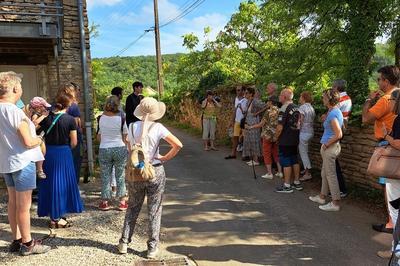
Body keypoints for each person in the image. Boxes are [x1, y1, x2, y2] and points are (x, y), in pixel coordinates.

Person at [118, 97, 183, 259]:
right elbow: (178, 145)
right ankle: (152, 248)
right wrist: (164, 158)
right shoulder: (158, 127)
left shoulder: (132, 126)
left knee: (132, 207)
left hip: (136, 172)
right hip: (154, 170)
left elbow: (128, 144)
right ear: (155, 112)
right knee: (154, 209)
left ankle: (124, 242)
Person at [0, 71, 50, 255]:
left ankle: (16, 239)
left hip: (7, 162)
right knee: (24, 205)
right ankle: (28, 243)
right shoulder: (14, 112)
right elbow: (28, 142)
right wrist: (39, 139)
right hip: (22, 161)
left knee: (13, 203)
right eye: (20, 86)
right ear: (14, 88)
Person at [362, 65, 400, 257]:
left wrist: (369, 99)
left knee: (391, 193)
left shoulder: (387, 99)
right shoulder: (396, 97)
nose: (378, 82)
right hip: (392, 146)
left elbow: (366, 118)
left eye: (379, 79)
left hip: (389, 148)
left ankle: (393, 230)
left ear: (386, 80)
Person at [37, 91, 83, 228]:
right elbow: (74, 142)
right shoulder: (70, 120)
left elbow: (35, 130)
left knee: (50, 183)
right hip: (64, 153)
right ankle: (58, 218)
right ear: (67, 105)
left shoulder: (47, 118)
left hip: (48, 153)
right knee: (62, 184)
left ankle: (53, 217)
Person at [309, 89, 343, 211]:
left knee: (330, 175)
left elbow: (339, 134)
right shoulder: (332, 111)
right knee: (325, 173)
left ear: (329, 99)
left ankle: (335, 203)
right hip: (329, 146)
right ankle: (322, 197)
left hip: (330, 147)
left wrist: (327, 144)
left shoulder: (333, 113)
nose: (322, 99)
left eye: (324, 97)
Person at [97, 95, 128, 211]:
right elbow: (125, 134)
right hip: (119, 147)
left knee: (105, 175)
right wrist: (124, 146)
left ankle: (105, 202)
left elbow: (99, 136)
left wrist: (104, 143)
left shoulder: (101, 118)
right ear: (117, 104)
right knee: (120, 176)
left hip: (104, 148)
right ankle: (122, 202)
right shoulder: (122, 117)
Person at [383, 89, 400, 261]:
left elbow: (398, 143)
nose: (390, 103)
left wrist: (386, 136)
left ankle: (395, 251)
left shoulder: (399, 119)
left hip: (396, 172)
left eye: (392, 100)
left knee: (395, 210)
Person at [248, 95, 283, 179]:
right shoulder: (280, 111)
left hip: (267, 135)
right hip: (276, 136)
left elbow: (261, 124)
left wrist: (251, 127)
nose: (267, 102)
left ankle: (269, 173)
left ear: (270, 102)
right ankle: (280, 172)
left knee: (266, 153)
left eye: (268, 101)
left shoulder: (268, 111)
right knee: (276, 153)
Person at [275, 88, 302, 193]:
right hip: (295, 138)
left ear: (284, 97)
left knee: (286, 161)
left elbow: (279, 127)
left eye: (280, 95)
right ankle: (296, 182)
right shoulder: (297, 108)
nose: (279, 97)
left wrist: (276, 137)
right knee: (294, 160)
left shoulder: (283, 108)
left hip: (285, 139)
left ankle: (287, 185)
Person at [57, 83, 83, 183]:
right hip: (73, 138)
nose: (77, 94)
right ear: (69, 92)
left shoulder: (53, 105)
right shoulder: (73, 106)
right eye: (75, 91)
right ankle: (73, 187)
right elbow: (77, 124)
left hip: (59, 140)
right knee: (74, 164)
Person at [22, 97, 51, 179]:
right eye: (43, 106)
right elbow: (33, 124)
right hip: (31, 137)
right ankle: (39, 170)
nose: (45, 108)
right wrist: (43, 117)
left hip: (32, 136)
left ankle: (38, 170)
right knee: (42, 149)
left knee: (42, 151)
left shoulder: (31, 111)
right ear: (38, 107)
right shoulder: (35, 114)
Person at [332, 79, 352, 197]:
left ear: (336, 87)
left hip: (337, 131)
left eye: (333, 87)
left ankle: (340, 189)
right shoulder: (345, 98)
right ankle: (338, 188)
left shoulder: (342, 99)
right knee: (333, 160)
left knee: (332, 160)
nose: (332, 88)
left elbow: (331, 113)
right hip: (338, 130)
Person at [242, 87, 264, 166]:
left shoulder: (255, 101)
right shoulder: (248, 101)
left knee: (255, 140)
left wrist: (257, 113)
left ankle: (256, 160)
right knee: (250, 141)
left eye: (247, 93)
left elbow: (265, 106)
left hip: (254, 122)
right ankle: (253, 159)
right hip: (248, 122)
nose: (245, 94)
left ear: (251, 94)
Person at [110, 86, 125, 197]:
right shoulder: (119, 110)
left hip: (106, 143)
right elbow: (123, 126)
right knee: (119, 168)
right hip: (118, 140)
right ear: (119, 95)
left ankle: (113, 188)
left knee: (110, 168)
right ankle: (121, 195)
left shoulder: (106, 111)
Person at [225, 86, 246, 159]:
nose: (237, 92)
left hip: (244, 121)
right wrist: (232, 120)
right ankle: (233, 153)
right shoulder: (236, 99)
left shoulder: (246, 99)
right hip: (237, 121)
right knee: (235, 137)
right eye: (236, 90)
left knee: (245, 137)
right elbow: (235, 110)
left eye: (239, 90)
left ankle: (245, 154)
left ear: (243, 91)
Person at [298, 91, 315, 181]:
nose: (299, 98)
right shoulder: (311, 107)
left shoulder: (302, 107)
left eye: (300, 96)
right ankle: (305, 169)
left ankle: (308, 173)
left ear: (304, 98)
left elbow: (300, 121)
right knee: (306, 152)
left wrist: (296, 130)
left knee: (303, 153)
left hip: (304, 132)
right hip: (310, 132)